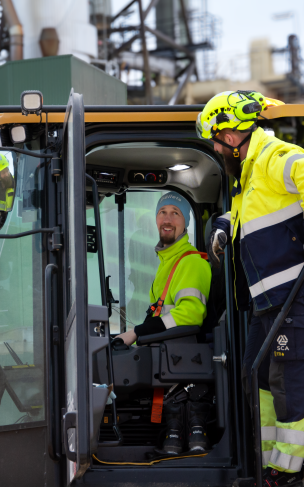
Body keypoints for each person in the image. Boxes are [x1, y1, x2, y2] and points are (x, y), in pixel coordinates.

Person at [198, 91, 304, 486]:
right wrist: (225, 225)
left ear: (233, 133)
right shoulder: (252, 172)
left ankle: (286, 471)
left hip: (295, 286)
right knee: (256, 373)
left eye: (215, 138)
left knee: (289, 376)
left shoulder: (273, 156)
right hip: (270, 295)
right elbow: (254, 214)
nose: (214, 146)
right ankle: (266, 461)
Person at [118, 192, 213, 455]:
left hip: (183, 361)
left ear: (185, 224)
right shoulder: (165, 265)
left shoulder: (192, 262)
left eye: (176, 213)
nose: (167, 219)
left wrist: (135, 333)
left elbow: (191, 315)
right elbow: (160, 316)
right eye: (162, 212)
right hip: (168, 361)